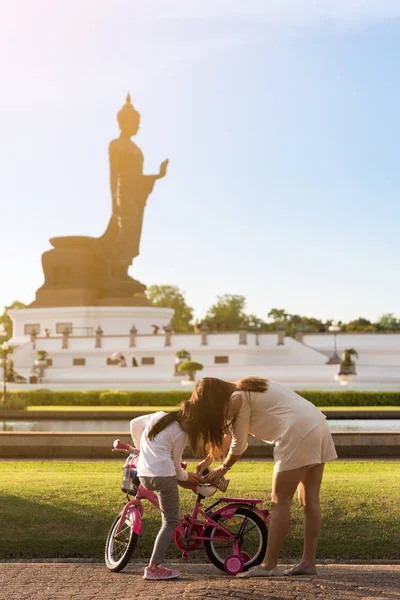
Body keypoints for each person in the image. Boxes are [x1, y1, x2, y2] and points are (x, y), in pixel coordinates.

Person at [189, 377, 337, 578]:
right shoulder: (245, 387)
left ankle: (269, 566)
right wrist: (208, 461)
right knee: (310, 501)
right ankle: (308, 563)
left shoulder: (236, 399)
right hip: (317, 425)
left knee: (280, 502)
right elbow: (231, 435)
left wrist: (223, 468)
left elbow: (239, 444)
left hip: (296, 433)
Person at [130, 407, 200, 581]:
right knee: (170, 522)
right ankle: (154, 567)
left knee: (169, 515)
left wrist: (140, 450)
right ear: (186, 418)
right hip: (164, 476)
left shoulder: (159, 416)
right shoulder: (181, 434)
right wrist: (185, 477)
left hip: (144, 475)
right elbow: (177, 466)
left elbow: (134, 423)